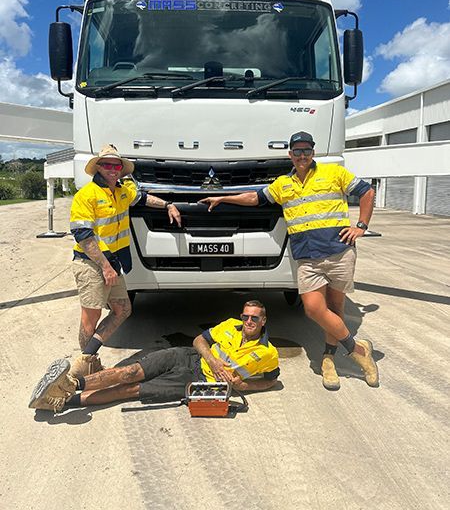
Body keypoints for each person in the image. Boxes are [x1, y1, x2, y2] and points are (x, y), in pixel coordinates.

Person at [200, 131, 379, 391]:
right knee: (314, 309)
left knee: (335, 309)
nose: (302, 155)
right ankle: (358, 350)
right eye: (297, 151)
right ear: (290, 155)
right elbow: (255, 198)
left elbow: (367, 192)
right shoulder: (283, 184)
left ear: (313, 152)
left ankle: (328, 359)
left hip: (339, 251)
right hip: (308, 257)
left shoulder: (334, 174)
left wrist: (361, 226)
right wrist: (222, 197)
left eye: (307, 150)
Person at [29, 300, 280, 413]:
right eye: (245, 316)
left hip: (198, 384)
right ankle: (68, 385)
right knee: (128, 373)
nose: (248, 321)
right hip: (187, 356)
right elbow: (199, 340)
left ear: (263, 320)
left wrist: (242, 385)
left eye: (254, 318)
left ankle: (60, 402)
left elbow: (272, 381)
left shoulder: (268, 353)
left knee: (129, 390)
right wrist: (213, 361)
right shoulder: (229, 324)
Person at [69, 144, 182, 380]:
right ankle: (85, 366)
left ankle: (88, 358)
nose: (112, 169)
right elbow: (83, 236)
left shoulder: (122, 192)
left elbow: (143, 198)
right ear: (98, 167)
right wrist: (104, 266)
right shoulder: (86, 196)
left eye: (116, 165)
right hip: (92, 263)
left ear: (121, 170)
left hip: (113, 263)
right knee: (90, 318)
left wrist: (168, 205)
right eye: (107, 165)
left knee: (123, 309)